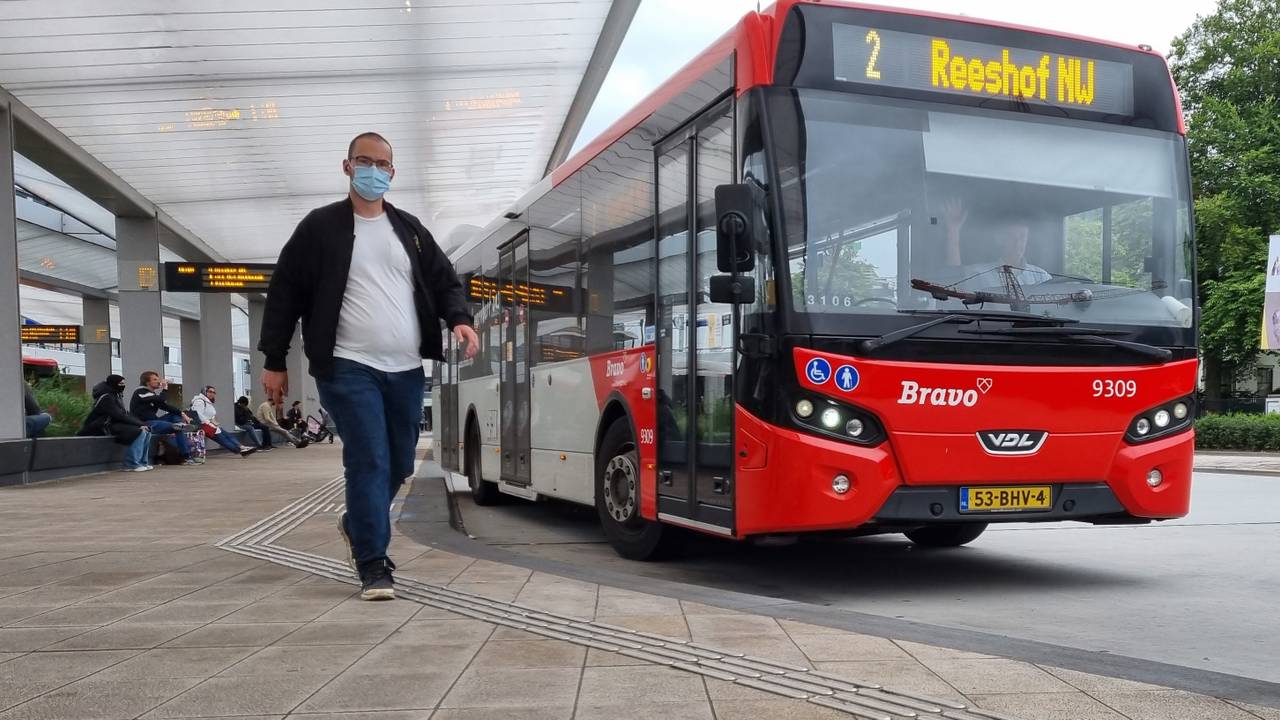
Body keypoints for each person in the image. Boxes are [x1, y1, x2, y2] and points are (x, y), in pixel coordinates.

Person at [259, 131, 478, 601]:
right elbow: (284, 295)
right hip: (345, 365)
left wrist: (459, 319)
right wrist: (274, 360)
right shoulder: (319, 228)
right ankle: (373, 562)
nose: (374, 170)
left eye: (383, 164)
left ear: (392, 172)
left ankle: (357, 521)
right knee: (370, 459)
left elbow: (445, 282)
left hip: (404, 368)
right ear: (347, 166)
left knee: (400, 461)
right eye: (365, 161)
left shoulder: (411, 231)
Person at [941, 199, 1051, 288]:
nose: (1017, 243)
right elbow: (953, 279)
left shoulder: (1041, 277)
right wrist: (953, 231)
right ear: (1000, 240)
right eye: (1012, 237)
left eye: (1022, 237)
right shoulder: (978, 273)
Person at [77, 374, 153, 472]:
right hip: (101, 426)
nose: (123, 386)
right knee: (139, 432)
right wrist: (139, 425)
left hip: (112, 424)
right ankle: (131, 464)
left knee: (147, 431)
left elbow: (124, 414)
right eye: (121, 383)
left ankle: (142, 462)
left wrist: (142, 424)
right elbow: (118, 415)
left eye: (124, 384)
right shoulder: (106, 398)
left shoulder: (116, 395)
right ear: (113, 384)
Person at [130, 371, 197, 465]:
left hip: (156, 421)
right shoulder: (140, 392)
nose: (158, 381)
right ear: (147, 382)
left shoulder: (152, 395)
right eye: (155, 379)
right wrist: (165, 388)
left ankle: (179, 426)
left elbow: (166, 406)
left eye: (158, 379)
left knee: (175, 416)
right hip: (145, 423)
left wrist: (183, 414)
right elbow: (161, 399)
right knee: (175, 427)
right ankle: (185, 454)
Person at [190, 386, 257, 458]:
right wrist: (208, 423)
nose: (212, 394)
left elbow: (210, 415)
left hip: (210, 425)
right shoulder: (199, 401)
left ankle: (242, 447)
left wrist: (213, 422)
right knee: (222, 439)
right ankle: (240, 450)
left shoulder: (207, 402)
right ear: (204, 392)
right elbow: (198, 414)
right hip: (204, 425)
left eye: (214, 392)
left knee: (228, 435)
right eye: (210, 392)